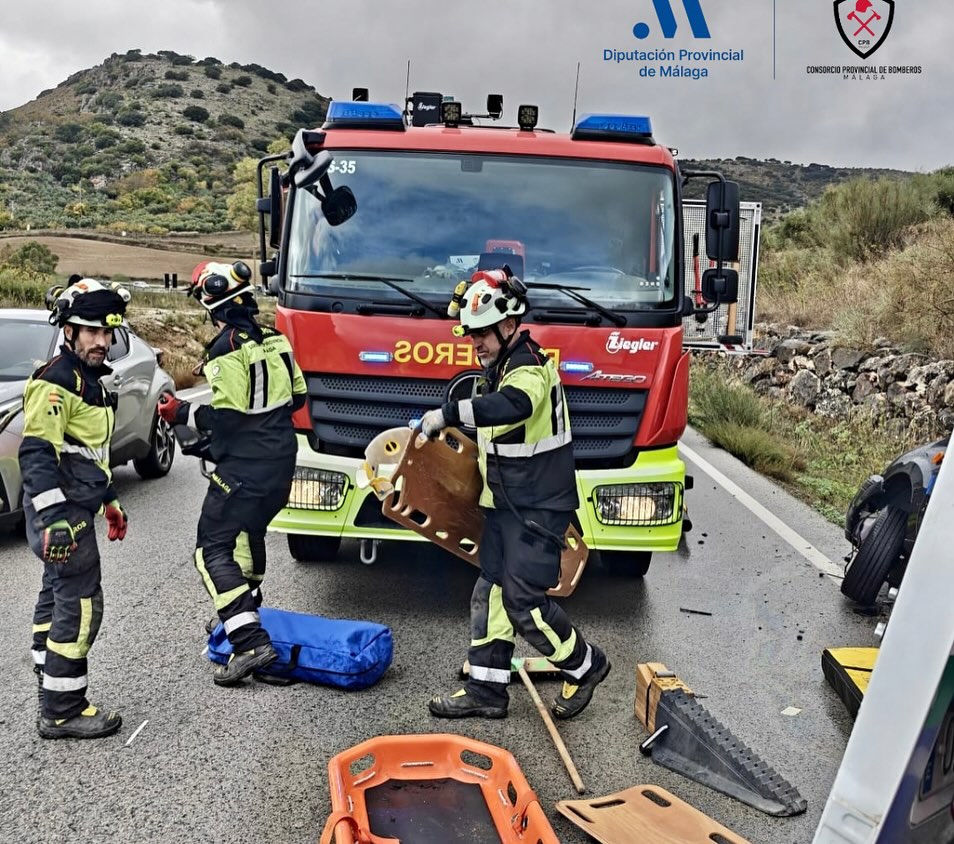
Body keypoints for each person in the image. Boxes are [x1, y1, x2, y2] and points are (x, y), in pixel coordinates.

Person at [421, 268, 610, 720]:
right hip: (509, 504)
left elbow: (514, 406)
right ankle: (487, 690)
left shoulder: (526, 367)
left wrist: (448, 413)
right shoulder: (501, 366)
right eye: (471, 336)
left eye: (482, 334)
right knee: (490, 591)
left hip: (537, 506)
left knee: (522, 600)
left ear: (508, 325)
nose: (476, 344)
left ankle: (585, 665)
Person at [157, 260, 307, 687]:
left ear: (212, 303)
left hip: (244, 469)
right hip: (281, 464)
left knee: (211, 550)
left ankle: (248, 640)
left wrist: (180, 410)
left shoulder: (223, 350)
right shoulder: (277, 340)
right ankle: (242, 614)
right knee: (248, 535)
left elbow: (225, 416)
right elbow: (297, 397)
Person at [21, 278, 131, 739]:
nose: (101, 342)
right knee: (83, 602)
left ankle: (49, 671)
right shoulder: (57, 382)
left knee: (56, 590)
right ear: (68, 330)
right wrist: (55, 520)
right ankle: (63, 708)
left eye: (107, 333)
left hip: (79, 508)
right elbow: (37, 454)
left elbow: (85, 453)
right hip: (62, 516)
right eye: (90, 332)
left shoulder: (93, 383)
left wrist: (108, 501)